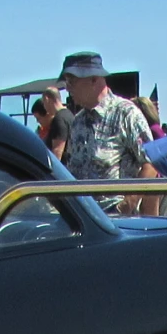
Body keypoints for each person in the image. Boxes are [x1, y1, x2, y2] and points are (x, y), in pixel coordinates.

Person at [57, 51, 160, 216]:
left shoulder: (125, 113)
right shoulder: (78, 121)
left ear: (94, 80)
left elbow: (152, 162)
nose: (67, 88)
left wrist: (128, 203)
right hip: (83, 217)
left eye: (72, 81)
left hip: (116, 221)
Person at [33, 87, 71, 164]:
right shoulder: (69, 115)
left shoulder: (58, 119)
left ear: (47, 99)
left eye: (44, 103)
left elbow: (57, 152)